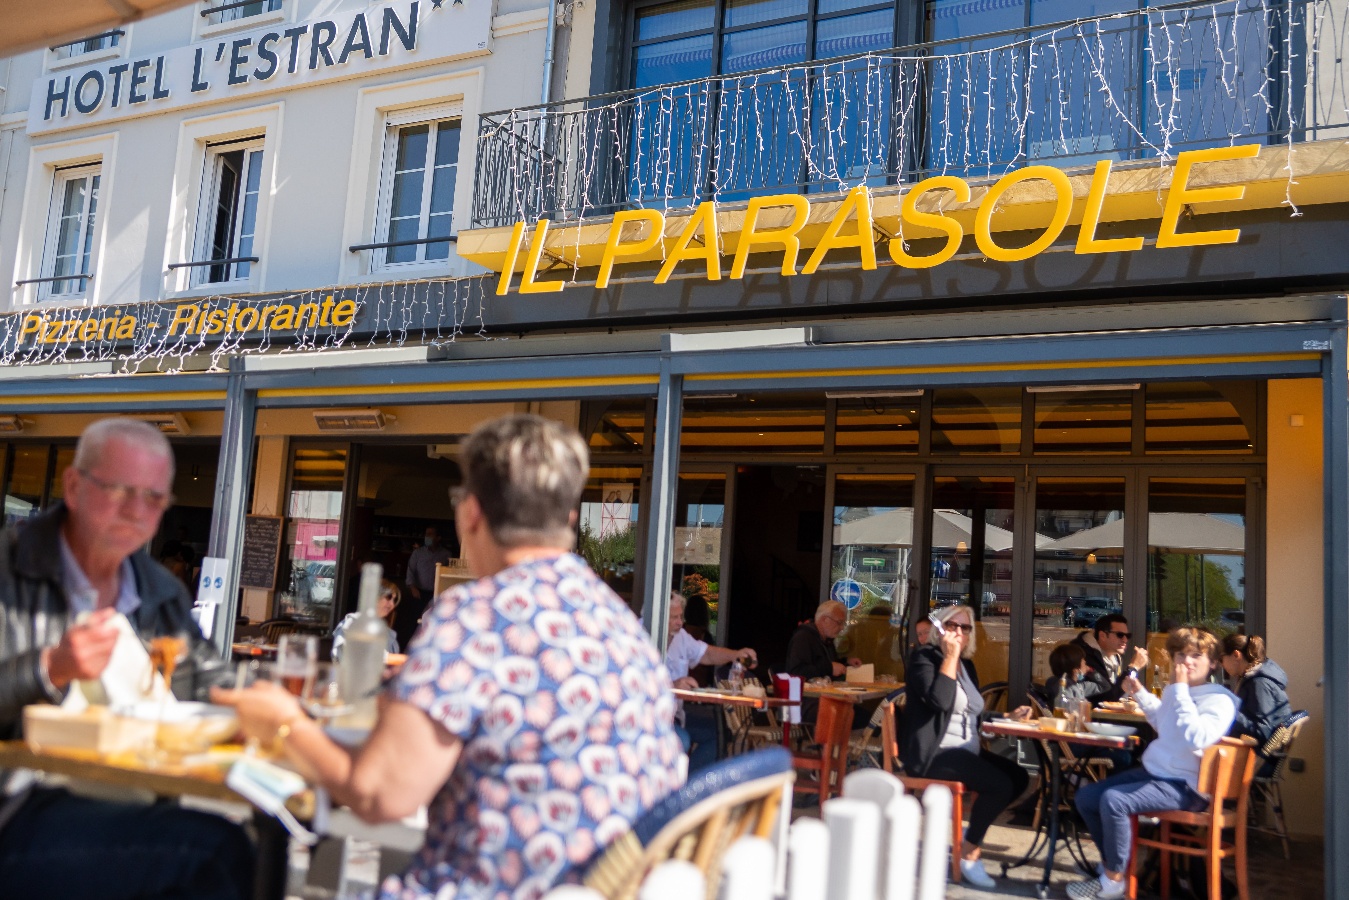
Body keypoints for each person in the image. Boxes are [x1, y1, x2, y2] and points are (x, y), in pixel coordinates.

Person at [218, 414, 685, 899]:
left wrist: (284, 724)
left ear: (470, 515)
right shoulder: (619, 622)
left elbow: (382, 795)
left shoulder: (477, 615)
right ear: (568, 518)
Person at [0, 418, 251, 900]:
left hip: (130, 797)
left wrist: (259, 704)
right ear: (74, 485)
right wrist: (47, 669)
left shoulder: (159, 592)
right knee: (215, 852)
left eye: (154, 499)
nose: (137, 511)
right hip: (16, 807)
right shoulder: (8, 570)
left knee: (234, 842)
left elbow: (206, 679)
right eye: (120, 491)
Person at [1069, 627, 1238, 900]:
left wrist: (1180, 691)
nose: (1187, 661)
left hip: (1187, 786)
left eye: (1197, 656)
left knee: (1114, 801)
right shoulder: (1178, 691)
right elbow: (1164, 722)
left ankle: (1112, 880)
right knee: (1087, 797)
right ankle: (1113, 866)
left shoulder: (1219, 700)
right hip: (1156, 773)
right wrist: (1139, 692)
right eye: (1181, 654)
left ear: (1214, 663)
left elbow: (1197, 737)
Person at [898, 604, 1031, 888]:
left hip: (965, 750)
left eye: (965, 627)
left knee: (1019, 777)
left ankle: (970, 835)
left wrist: (1006, 717)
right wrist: (950, 656)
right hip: (935, 753)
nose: (959, 632)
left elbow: (971, 712)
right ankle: (969, 853)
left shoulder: (967, 666)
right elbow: (941, 702)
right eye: (952, 626)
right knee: (999, 784)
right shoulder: (924, 658)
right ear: (940, 630)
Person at [664, 591, 758, 773]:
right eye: (674, 617)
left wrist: (736, 655)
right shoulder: (638, 635)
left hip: (677, 715)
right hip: (650, 720)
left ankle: (688, 790)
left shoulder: (680, 636)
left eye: (680, 616)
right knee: (681, 741)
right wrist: (673, 686)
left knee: (722, 733)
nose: (680, 622)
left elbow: (706, 653)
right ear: (659, 615)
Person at [1221, 633, 1292, 773]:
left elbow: (1262, 730)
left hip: (1258, 759)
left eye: (1221, 658)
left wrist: (1230, 711)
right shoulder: (1256, 678)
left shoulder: (1260, 683)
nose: (1220, 664)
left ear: (1236, 655)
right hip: (1258, 754)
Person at [785, 600, 861, 723]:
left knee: (861, 715)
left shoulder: (827, 640)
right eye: (839, 623)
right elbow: (796, 671)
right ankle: (833, 742)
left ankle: (839, 742)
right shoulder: (803, 638)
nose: (842, 628)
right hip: (805, 701)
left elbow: (828, 665)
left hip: (824, 698)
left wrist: (845, 663)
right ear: (825, 619)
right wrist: (830, 668)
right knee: (855, 717)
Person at [1071, 614, 1149, 703]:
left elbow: (1115, 692)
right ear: (1102, 635)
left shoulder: (1115, 656)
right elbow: (1106, 696)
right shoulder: (1084, 656)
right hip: (1088, 714)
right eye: (1120, 635)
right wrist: (1133, 668)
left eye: (1128, 636)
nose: (1125, 640)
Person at [399, 525, 451, 647]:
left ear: (438, 538)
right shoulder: (418, 553)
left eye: (431, 534)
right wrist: (412, 587)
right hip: (419, 593)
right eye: (426, 534)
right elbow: (410, 571)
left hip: (437, 594)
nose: (427, 537)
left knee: (434, 621)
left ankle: (430, 646)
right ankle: (413, 647)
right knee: (416, 622)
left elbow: (449, 572)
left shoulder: (446, 554)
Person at [331, 580, 401, 662]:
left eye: (394, 600)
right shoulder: (352, 623)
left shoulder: (388, 634)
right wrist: (403, 660)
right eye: (388, 597)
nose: (391, 604)